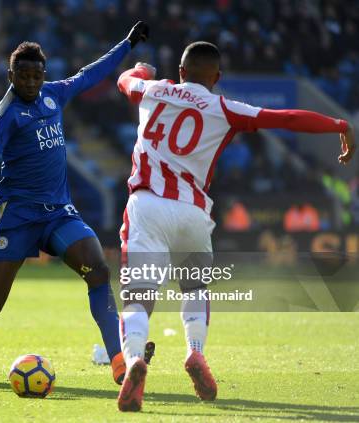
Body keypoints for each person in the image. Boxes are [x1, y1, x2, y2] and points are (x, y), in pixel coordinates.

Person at [115, 41, 355, 412]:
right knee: (195, 288)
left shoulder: (154, 89)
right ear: (217, 78)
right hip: (193, 213)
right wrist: (338, 124)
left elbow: (125, 80)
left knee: (138, 297)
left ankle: (134, 362)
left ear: (180, 71)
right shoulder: (224, 108)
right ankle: (195, 352)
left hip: (148, 206)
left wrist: (142, 70)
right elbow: (287, 118)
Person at [0, 22, 150, 386]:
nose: (30, 82)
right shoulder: (6, 115)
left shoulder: (54, 94)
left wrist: (126, 45)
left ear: (43, 74)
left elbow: (90, 74)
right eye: (23, 75)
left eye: (36, 75)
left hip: (58, 213)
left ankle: (119, 361)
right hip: (17, 216)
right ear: (10, 74)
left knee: (97, 271)